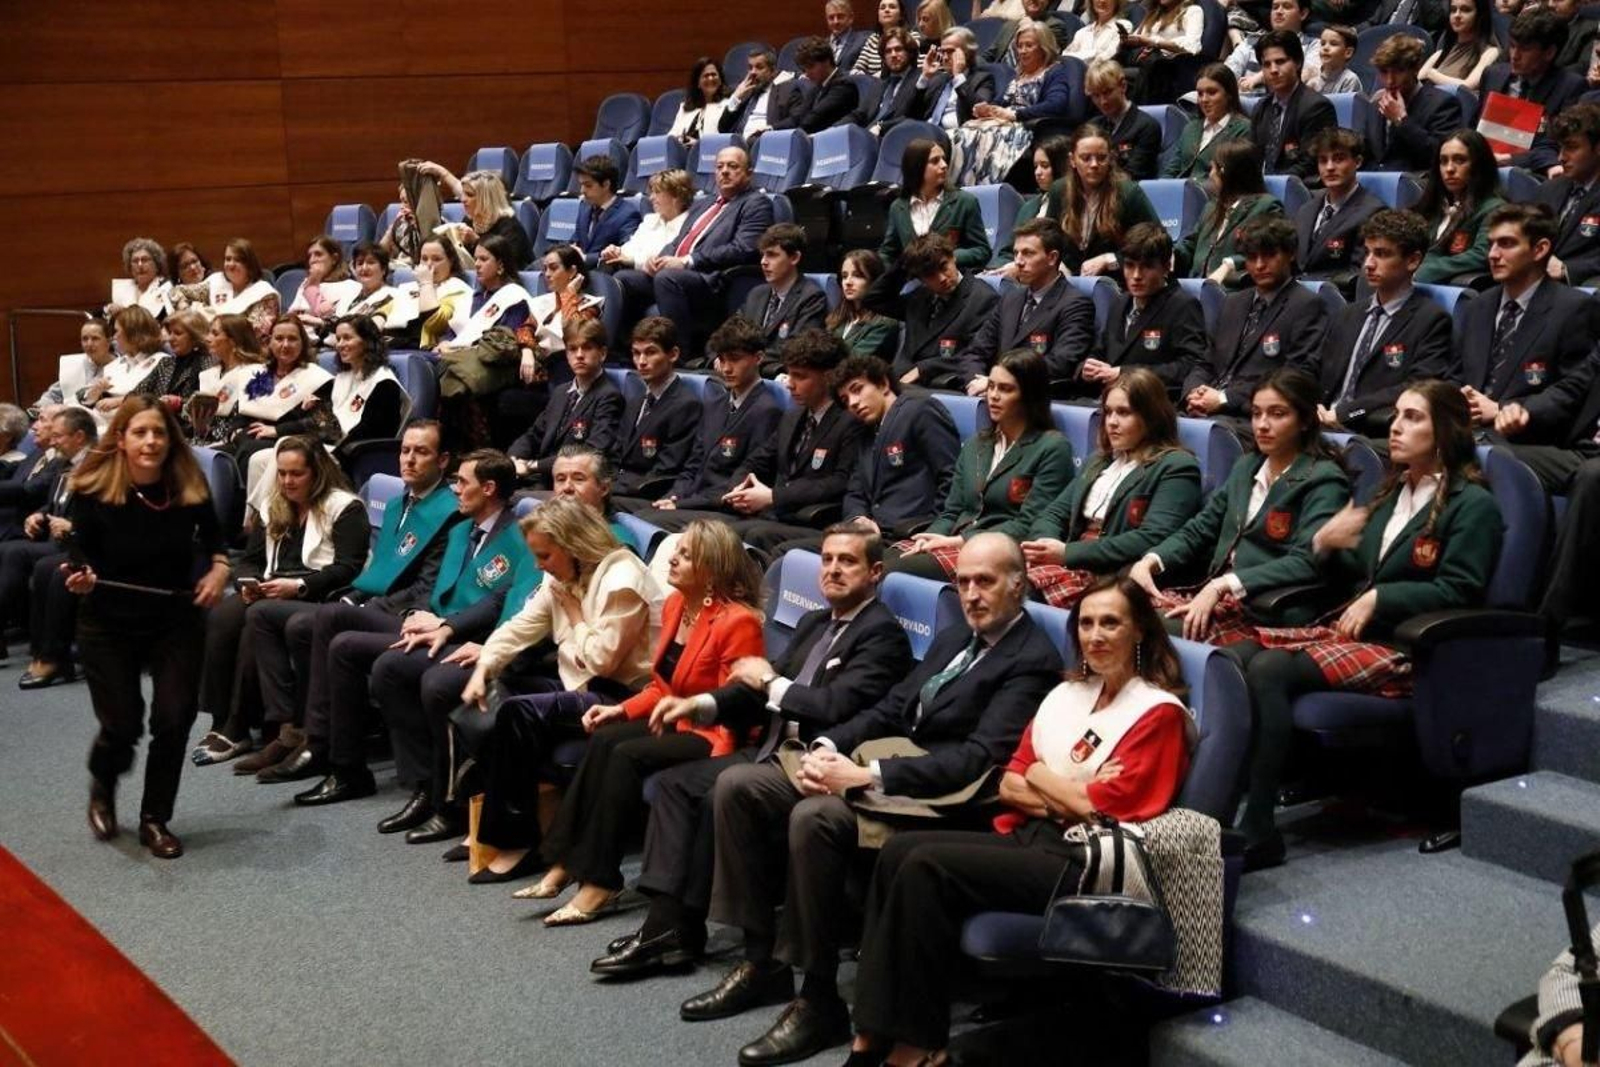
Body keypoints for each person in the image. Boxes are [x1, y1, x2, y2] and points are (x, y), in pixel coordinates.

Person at [696, 533, 1064, 1067]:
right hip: (887, 760)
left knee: (816, 816)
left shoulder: (1030, 659)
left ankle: (818, 997)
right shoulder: (958, 634)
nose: (971, 594)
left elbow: (976, 760)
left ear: (1018, 584)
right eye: (962, 582)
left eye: (985, 581)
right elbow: (894, 706)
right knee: (740, 786)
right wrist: (828, 747)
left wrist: (865, 775)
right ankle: (761, 962)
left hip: (942, 795)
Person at [844, 576, 1194, 1067]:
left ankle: (918, 1044)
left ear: (1138, 632)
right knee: (900, 850)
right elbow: (1010, 779)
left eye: (1110, 623)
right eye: (1087, 623)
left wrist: (1042, 775)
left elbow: (1104, 807)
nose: (1095, 635)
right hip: (1032, 835)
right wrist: (1053, 784)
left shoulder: (1158, 714)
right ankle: (873, 1032)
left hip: (1085, 861)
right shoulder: (1068, 695)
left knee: (926, 864)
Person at [590, 523, 912, 978]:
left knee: (717, 785)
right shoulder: (814, 622)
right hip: (772, 747)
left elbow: (833, 706)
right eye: (827, 559)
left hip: (818, 759)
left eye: (848, 561)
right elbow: (755, 688)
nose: (833, 570)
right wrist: (702, 704)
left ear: (875, 572)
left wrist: (770, 682)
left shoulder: (882, 635)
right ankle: (670, 928)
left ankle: (709, 942)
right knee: (678, 787)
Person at [1229, 381, 1503, 868]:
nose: (1395, 427)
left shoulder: (1471, 504)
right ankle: (1230, 807)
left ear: (1445, 430)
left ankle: (1259, 829)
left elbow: (1461, 589)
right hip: (1360, 636)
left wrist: (1383, 597)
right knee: (1238, 656)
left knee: (1269, 668)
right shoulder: (1392, 492)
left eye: (1413, 418)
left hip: (1410, 649)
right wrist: (1326, 544)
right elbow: (1356, 571)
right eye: (1396, 415)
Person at [374, 445, 627, 844]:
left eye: (578, 479)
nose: (565, 488)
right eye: (559, 479)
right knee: (398, 668)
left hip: (574, 668)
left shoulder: (615, 549)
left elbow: (596, 652)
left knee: (445, 685)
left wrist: (497, 657)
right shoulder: (551, 532)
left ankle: (459, 807)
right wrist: (472, 642)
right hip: (528, 644)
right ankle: (436, 792)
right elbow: (518, 604)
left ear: (605, 488)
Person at [518, 520, 764, 918]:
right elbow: (662, 686)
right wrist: (620, 710)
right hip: (677, 719)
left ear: (712, 568)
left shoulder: (738, 621)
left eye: (686, 555)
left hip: (716, 734)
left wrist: (711, 741)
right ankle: (563, 862)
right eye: (677, 552)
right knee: (604, 738)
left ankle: (600, 882)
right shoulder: (674, 606)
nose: (673, 560)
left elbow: (733, 704)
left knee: (625, 754)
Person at [431, 496, 665, 881]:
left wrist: (573, 615)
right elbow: (521, 627)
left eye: (545, 556)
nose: (539, 566)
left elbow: (602, 660)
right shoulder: (561, 575)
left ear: (575, 547)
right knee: (494, 689)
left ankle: (517, 842)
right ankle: (493, 817)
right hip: (582, 682)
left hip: (625, 697)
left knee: (518, 712)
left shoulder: (623, 580)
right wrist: (484, 668)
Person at [207, 419, 459, 774]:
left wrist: (356, 602)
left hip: (405, 613)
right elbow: (377, 572)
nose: (409, 460)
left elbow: (423, 589)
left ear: (443, 460)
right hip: (365, 600)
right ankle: (290, 729)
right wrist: (352, 598)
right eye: (405, 451)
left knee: (289, 620)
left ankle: (307, 735)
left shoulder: (448, 512)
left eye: (422, 452)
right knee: (263, 616)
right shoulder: (401, 501)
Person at [285, 450, 527, 796]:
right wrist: (415, 614)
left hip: (464, 635)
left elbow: (498, 602)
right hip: (431, 621)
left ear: (488, 488)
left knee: (346, 647)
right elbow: (434, 587)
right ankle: (320, 743)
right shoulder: (462, 530)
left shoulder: (519, 536)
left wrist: (444, 623)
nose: (454, 489)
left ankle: (350, 769)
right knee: (333, 614)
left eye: (461, 481)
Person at [65, 396, 231, 859]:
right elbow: (78, 556)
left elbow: (219, 545)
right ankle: (103, 786)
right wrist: (80, 577)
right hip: (107, 622)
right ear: (121, 438)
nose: (151, 441)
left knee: (174, 718)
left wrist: (219, 571)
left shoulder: (187, 484)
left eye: (158, 432)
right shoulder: (94, 489)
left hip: (174, 618)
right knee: (121, 724)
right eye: (140, 432)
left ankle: (154, 819)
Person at [1130, 369, 1351, 640]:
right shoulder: (1247, 466)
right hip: (1215, 590)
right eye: (1257, 413)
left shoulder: (1324, 479)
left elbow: (1305, 562)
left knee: (1145, 629)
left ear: (1305, 421)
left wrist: (1224, 585)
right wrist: (1151, 560)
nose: (1262, 424)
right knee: (1122, 607)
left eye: (1277, 414)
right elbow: (1201, 528)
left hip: (1266, 608)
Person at [195, 437, 366, 762]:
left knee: (254, 620)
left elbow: (348, 568)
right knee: (220, 616)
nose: (287, 481)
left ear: (317, 474)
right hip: (272, 588)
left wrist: (299, 585)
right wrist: (248, 581)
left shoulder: (345, 507)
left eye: (296, 474)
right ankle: (221, 719)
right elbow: (250, 559)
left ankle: (240, 725)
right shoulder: (274, 504)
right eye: (282, 474)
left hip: (317, 593)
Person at [641, 331, 868, 549]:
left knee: (734, 535)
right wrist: (739, 489)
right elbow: (755, 461)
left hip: (812, 520)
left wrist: (773, 496)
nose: (789, 384)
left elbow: (838, 483)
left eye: (800, 376)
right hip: (774, 516)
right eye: (789, 374)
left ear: (828, 377)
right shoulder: (793, 416)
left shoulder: (849, 421)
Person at [887, 349, 1076, 580]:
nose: (993, 396)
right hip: (955, 541)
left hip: (1000, 551)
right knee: (874, 563)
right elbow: (952, 510)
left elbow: (1030, 524)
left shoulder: (1052, 448)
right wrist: (930, 538)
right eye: (991, 386)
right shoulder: (977, 444)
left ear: (1029, 395)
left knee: (892, 573)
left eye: (1005, 389)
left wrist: (958, 541)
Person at [744, 356, 961, 555]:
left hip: (907, 535)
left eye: (857, 390)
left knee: (788, 553)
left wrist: (934, 532)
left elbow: (952, 479)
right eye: (846, 400)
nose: (853, 403)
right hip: (866, 537)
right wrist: (858, 519)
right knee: (765, 538)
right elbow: (855, 491)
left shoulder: (920, 411)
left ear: (883, 384)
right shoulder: (865, 430)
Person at [1021, 368, 1203, 606]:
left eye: (1124, 413)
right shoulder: (1099, 460)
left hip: (1114, 575)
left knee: (1014, 590)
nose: (1112, 422)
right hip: (1069, 560)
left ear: (1151, 416)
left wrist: (1068, 553)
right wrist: (1045, 544)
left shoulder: (1176, 466)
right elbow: (1055, 513)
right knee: (994, 576)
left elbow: (1152, 537)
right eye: (1108, 412)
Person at [1476, 204, 1600, 484]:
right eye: (1491, 244)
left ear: (1540, 249)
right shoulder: (1477, 305)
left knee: (1462, 454)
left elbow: (1571, 394)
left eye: (1505, 244)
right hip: (1469, 426)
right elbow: (1455, 375)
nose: (1493, 255)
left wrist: (1502, 408)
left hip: (1531, 437)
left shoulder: (1575, 309)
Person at [613, 146, 774, 359]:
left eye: (733, 166)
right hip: (683, 274)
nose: (725, 171)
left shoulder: (755, 203)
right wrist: (659, 257)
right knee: (623, 279)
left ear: (748, 173)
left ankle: (680, 355)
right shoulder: (705, 204)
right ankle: (628, 351)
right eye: (720, 166)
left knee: (667, 278)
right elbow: (680, 240)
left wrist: (688, 261)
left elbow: (743, 249)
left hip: (713, 281)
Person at [621, 317, 784, 516]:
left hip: (723, 508)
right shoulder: (716, 404)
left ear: (758, 358)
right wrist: (673, 496)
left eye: (735, 359)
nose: (726, 368)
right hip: (695, 501)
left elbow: (741, 482)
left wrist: (683, 505)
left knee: (646, 517)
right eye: (722, 360)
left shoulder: (767, 411)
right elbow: (693, 465)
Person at [1318, 210, 1455, 438]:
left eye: (1381, 254)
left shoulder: (1431, 320)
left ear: (1412, 261)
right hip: (1321, 424)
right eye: (1368, 253)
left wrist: (1345, 412)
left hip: (1374, 431)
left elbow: (1415, 387)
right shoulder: (1347, 314)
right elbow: (1316, 368)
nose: (1368, 264)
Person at [1183, 216, 1330, 421]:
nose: (1259, 265)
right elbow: (1206, 362)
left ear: (1290, 255)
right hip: (1207, 405)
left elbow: (1295, 376)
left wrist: (1224, 398)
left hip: (1253, 415)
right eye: (1252, 258)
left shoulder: (1307, 305)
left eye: (1269, 255)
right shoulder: (1232, 302)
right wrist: (1193, 393)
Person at [6, 408, 95, 689]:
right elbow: (58, 499)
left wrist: (72, 526)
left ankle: (52, 655)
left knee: (49, 568)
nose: (52, 442)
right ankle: (44, 652)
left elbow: (106, 510)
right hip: (66, 540)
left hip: (89, 542)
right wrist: (41, 515)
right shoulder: (65, 463)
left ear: (79, 436)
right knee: (13, 551)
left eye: (58, 436)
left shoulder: (98, 464)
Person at [962, 218, 1096, 394]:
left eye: (1028, 253)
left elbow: (1060, 364)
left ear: (1052, 258)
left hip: (1034, 401)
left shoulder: (1075, 304)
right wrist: (976, 382)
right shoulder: (1010, 298)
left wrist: (997, 383)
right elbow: (975, 352)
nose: (1018, 261)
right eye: (1016, 253)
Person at [436, 234, 534, 448]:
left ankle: (473, 451)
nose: (477, 265)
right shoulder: (475, 296)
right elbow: (456, 330)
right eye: (476, 259)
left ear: (500, 264)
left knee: (458, 385)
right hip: (463, 360)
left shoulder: (514, 297)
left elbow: (508, 339)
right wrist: (445, 341)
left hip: (495, 364)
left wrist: (462, 348)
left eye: (483, 259)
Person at [868, 234, 1000, 391]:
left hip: (938, 384)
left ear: (953, 257)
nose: (942, 278)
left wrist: (925, 368)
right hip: (899, 382)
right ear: (920, 278)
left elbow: (973, 355)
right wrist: (904, 264)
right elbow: (873, 299)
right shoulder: (920, 296)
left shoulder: (982, 298)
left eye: (944, 267)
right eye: (930, 275)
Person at [1090, 223, 1210, 396]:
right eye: (1130, 266)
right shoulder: (1119, 302)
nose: (1136, 276)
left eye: (1146, 266)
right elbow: (1099, 350)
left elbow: (1189, 366)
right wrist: (1089, 366)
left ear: (1167, 266)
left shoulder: (1183, 306)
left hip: (1152, 402)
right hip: (1109, 398)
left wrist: (1126, 373)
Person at [508, 319, 625, 487]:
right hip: (543, 478)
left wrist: (532, 466)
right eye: (572, 349)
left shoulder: (609, 396)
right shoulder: (561, 392)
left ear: (603, 353)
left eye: (587, 348)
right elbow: (533, 435)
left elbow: (591, 452)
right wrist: (513, 459)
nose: (579, 355)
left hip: (573, 484)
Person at [959, 20, 1074, 187]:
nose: (1023, 51)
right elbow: (1003, 102)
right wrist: (988, 110)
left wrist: (1016, 115)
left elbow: (1056, 104)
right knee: (963, 133)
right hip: (1006, 123)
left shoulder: (1054, 72)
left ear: (1043, 47)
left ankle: (989, 189)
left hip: (1029, 127)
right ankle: (966, 188)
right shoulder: (1019, 74)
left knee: (984, 137)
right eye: (1020, 46)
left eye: (1029, 45)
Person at [228, 315, 334, 494]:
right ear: (270, 342)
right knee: (215, 456)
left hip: (291, 440)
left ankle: (242, 514)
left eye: (292, 339)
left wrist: (277, 431)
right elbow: (243, 409)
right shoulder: (261, 374)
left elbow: (321, 422)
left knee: (249, 450)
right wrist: (236, 430)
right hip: (250, 436)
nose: (285, 345)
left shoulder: (316, 378)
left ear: (303, 343)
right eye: (279, 338)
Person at [1041, 124, 1163, 276]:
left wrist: (1111, 260)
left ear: (1111, 158)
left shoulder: (1129, 193)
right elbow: (1049, 239)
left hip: (1116, 283)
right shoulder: (1059, 190)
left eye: (1101, 158)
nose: (1094, 165)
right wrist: (1058, 264)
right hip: (1069, 285)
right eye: (1086, 158)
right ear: (1072, 160)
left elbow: (1156, 242)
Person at [1480, 8, 1588, 175]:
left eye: (1525, 49)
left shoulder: (1570, 87)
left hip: (1526, 172)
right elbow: (1473, 127)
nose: (1514, 56)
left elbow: (1553, 145)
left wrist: (1509, 159)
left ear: (1549, 53)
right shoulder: (1493, 74)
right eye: (1513, 46)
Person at [1175, 140, 1286, 288]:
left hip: (1233, 290)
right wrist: (1167, 256)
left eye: (1214, 168)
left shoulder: (1266, 206)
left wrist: (1230, 264)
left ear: (1228, 173)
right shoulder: (1211, 207)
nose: (1211, 174)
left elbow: (1267, 251)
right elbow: (1190, 246)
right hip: (1197, 289)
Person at [612, 317, 701, 500]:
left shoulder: (685, 404)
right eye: (636, 353)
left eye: (650, 352)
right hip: (617, 486)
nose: (641, 361)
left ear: (673, 354)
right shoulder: (636, 400)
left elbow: (665, 471)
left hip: (644, 494)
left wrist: (609, 488)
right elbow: (615, 453)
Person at [878, 137, 991, 272]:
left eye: (943, 159)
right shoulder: (898, 207)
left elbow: (982, 250)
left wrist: (948, 257)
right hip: (912, 285)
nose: (944, 165)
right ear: (917, 167)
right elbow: (888, 253)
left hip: (951, 282)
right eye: (935, 161)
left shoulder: (964, 202)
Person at [510, 243, 603, 404]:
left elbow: (574, 332)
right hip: (538, 365)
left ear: (572, 271)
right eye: (545, 268)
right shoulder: (543, 301)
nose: (547, 274)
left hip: (566, 367)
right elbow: (526, 328)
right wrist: (526, 351)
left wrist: (569, 295)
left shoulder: (589, 305)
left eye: (553, 268)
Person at [1297, 128, 1384, 295]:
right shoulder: (1306, 209)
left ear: (1357, 162)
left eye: (1338, 159)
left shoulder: (1373, 212)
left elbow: (1359, 275)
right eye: (1323, 160)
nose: (1329, 167)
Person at [1364, 35, 1467, 173]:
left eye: (1399, 71)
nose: (1390, 81)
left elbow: (1440, 156)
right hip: (1376, 185)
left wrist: (1402, 121)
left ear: (1416, 68)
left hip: (1418, 184)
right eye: (1384, 72)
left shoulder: (1443, 103)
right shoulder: (1375, 104)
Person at [1415, 129, 1507, 284]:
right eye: (1443, 161)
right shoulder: (1433, 207)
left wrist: (1423, 271)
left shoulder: (1494, 209)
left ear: (1479, 165)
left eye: (1460, 160)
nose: (1449, 169)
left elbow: (1482, 254)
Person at [1250, 30, 1337, 179]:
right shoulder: (1261, 107)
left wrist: (1269, 184)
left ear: (1297, 62)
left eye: (1280, 62)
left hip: (1299, 189)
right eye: (1266, 64)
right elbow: (1252, 157)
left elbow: (1310, 164)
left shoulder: (1316, 107)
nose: (1273, 70)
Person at [416, 165, 534, 272]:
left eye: (470, 195)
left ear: (486, 199)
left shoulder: (510, 227)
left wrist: (476, 241)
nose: (463, 199)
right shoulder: (469, 221)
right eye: (463, 194)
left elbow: (504, 265)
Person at [742, 224, 830, 367]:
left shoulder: (811, 297)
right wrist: (720, 356)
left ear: (794, 257)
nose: (763, 262)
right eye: (763, 254)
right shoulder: (756, 294)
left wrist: (743, 359)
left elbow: (796, 350)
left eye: (772, 255)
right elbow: (728, 334)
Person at [1534, 104, 1600, 286]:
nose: (1561, 157)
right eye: (1560, 148)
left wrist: (1567, 269)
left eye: (1571, 147)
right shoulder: (1548, 189)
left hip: (1580, 289)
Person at [989, 135, 1075, 270]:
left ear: (1061, 165)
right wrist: (997, 269)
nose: (1038, 172)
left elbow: (1069, 254)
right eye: (1036, 166)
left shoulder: (1075, 203)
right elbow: (1007, 251)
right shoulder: (1029, 206)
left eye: (1045, 166)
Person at [1163, 63, 1254, 180]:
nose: (1204, 99)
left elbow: (1234, 179)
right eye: (1200, 94)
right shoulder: (1191, 128)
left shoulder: (1244, 129)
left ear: (1229, 94)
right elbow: (1171, 170)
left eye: (1212, 92)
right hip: (1180, 192)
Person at [188, 313, 266, 448]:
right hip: (202, 438)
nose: (207, 338)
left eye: (215, 333)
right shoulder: (209, 373)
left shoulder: (256, 373)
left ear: (233, 340)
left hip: (233, 442)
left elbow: (247, 420)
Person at [181, 238, 280, 343]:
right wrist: (186, 309)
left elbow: (253, 332)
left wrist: (209, 321)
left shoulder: (265, 293)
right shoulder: (216, 281)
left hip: (246, 352)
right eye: (228, 259)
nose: (231, 264)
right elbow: (178, 292)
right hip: (209, 345)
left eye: (237, 260)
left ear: (249, 264)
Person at [84, 307, 172, 424]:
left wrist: (120, 401)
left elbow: (159, 400)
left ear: (133, 333)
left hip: (138, 421)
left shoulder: (162, 361)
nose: (114, 337)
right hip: (103, 421)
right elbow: (90, 401)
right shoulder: (114, 365)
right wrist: (95, 393)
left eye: (117, 331)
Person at [600, 169, 695, 274]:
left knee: (623, 276)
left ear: (676, 196)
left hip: (660, 276)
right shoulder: (650, 219)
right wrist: (616, 251)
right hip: (639, 270)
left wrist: (632, 260)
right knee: (607, 263)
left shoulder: (688, 225)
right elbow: (632, 246)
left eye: (657, 192)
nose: (651, 198)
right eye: (652, 192)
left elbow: (664, 257)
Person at [1087, 59, 1163, 180]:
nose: (1103, 101)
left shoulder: (1147, 126)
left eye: (1107, 92)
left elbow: (1131, 175)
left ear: (1123, 86)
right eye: (1096, 95)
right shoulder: (1092, 126)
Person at [1119, 0, 1206, 104]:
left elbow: (1192, 46)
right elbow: (1139, 37)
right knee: (1106, 72)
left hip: (1168, 68)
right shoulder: (1154, 14)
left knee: (1118, 78)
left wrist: (1155, 42)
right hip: (1141, 61)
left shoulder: (1192, 11)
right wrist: (1129, 40)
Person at [572, 155, 643, 270]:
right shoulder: (584, 207)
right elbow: (576, 240)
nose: (582, 191)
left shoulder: (628, 214)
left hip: (602, 274)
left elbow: (624, 251)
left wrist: (586, 258)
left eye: (588, 185)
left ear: (606, 184)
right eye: (581, 185)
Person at [405, 234, 474, 351]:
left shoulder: (457, 289)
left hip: (428, 351)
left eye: (436, 259)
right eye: (424, 258)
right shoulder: (408, 288)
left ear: (451, 261)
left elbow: (435, 323)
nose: (429, 264)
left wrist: (426, 283)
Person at [827, 249, 900, 360]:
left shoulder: (885, 322)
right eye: (844, 276)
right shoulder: (837, 318)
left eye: (857, 276)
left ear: (875, 280)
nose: (848, 282)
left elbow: (852, 362)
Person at [780, 37, 861, 133]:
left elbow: (814, 119)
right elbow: (797, 117)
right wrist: (771, 128)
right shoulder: (817, 87)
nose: (807, 74)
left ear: (826, 61)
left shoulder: (844, 86)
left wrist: (792, 133)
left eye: (810, 66)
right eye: (804, 69)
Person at [285, 235, 358, 339]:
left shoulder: (350, 286)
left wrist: (313, 285)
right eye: (310, 256)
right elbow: (291, 314)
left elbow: (328, 318)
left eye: (318, 254)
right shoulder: (305, 284)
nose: (312, 260)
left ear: (334, 259)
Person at [719, 47, 798, 142]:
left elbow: (795, 121)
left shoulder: (786, 90)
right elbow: (723, 128)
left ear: (772, 71)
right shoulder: (746, 92)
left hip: (767, 142)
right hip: (740, 144)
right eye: (750, 68)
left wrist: (770, 128)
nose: (753, 72)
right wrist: (736, 98)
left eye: (759, 67)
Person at [1420, 0, 1500, 91]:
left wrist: (1432, 74)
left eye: (1466, 10)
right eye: (1453, 10)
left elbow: (1467, 86)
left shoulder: (1490, 52)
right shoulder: (1440, 54)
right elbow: (1417, 83)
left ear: (1479, 15)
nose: (1457, 15)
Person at [35, 318, 113, 410]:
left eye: (95, 338)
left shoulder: (119, 367)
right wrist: (39, 408)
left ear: (109, 341)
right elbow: (53, 395)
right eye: (85, 339)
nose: (89, 344)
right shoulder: (75, 363)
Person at [860, 27, 925, 133]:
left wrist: (881, 127)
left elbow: (912, 116)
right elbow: (860, 113)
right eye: (888, 51)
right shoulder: (879, 84)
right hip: (867, 135)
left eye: (898, 49)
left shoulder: (921, 79)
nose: (893, 55)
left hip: (896, 135)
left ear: (910, 52)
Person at [333, 240, 406, 329]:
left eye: (371, 262)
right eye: (360, 263)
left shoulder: (395, 295)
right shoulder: (349, 293)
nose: (364, 268)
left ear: (383, 269)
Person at [156, 309, 214, 410]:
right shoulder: (165, 363)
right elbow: (138, 392)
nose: (170, 339)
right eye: (170, 333)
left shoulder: (208, 363)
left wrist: (179, 403)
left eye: (177, 333)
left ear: (195, 336)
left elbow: (210, 403)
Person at [668, 57, 731, 144]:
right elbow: (672, 135)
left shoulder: (728, 105)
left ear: (720, 80)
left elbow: (722, 140)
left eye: (714, 75)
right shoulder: (685, 107)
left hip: (708, 153)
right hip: (682, 152)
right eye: (706, 76)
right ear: (698, 83)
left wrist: (697, 144)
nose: (710, 78)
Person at [107, 237, 170, 320]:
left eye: (145, 260)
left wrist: (125, 313)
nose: (140, 265)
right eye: (135, 261)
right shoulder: (124, 289)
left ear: (157, 265)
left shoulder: (166, 288)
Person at [854, 0, 920, 76]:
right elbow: (857, 69)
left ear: (901, 15)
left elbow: (917, 67)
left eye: (892, 7)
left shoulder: (912, 36)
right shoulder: (873, 39)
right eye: (882, 8)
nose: (887, 10)